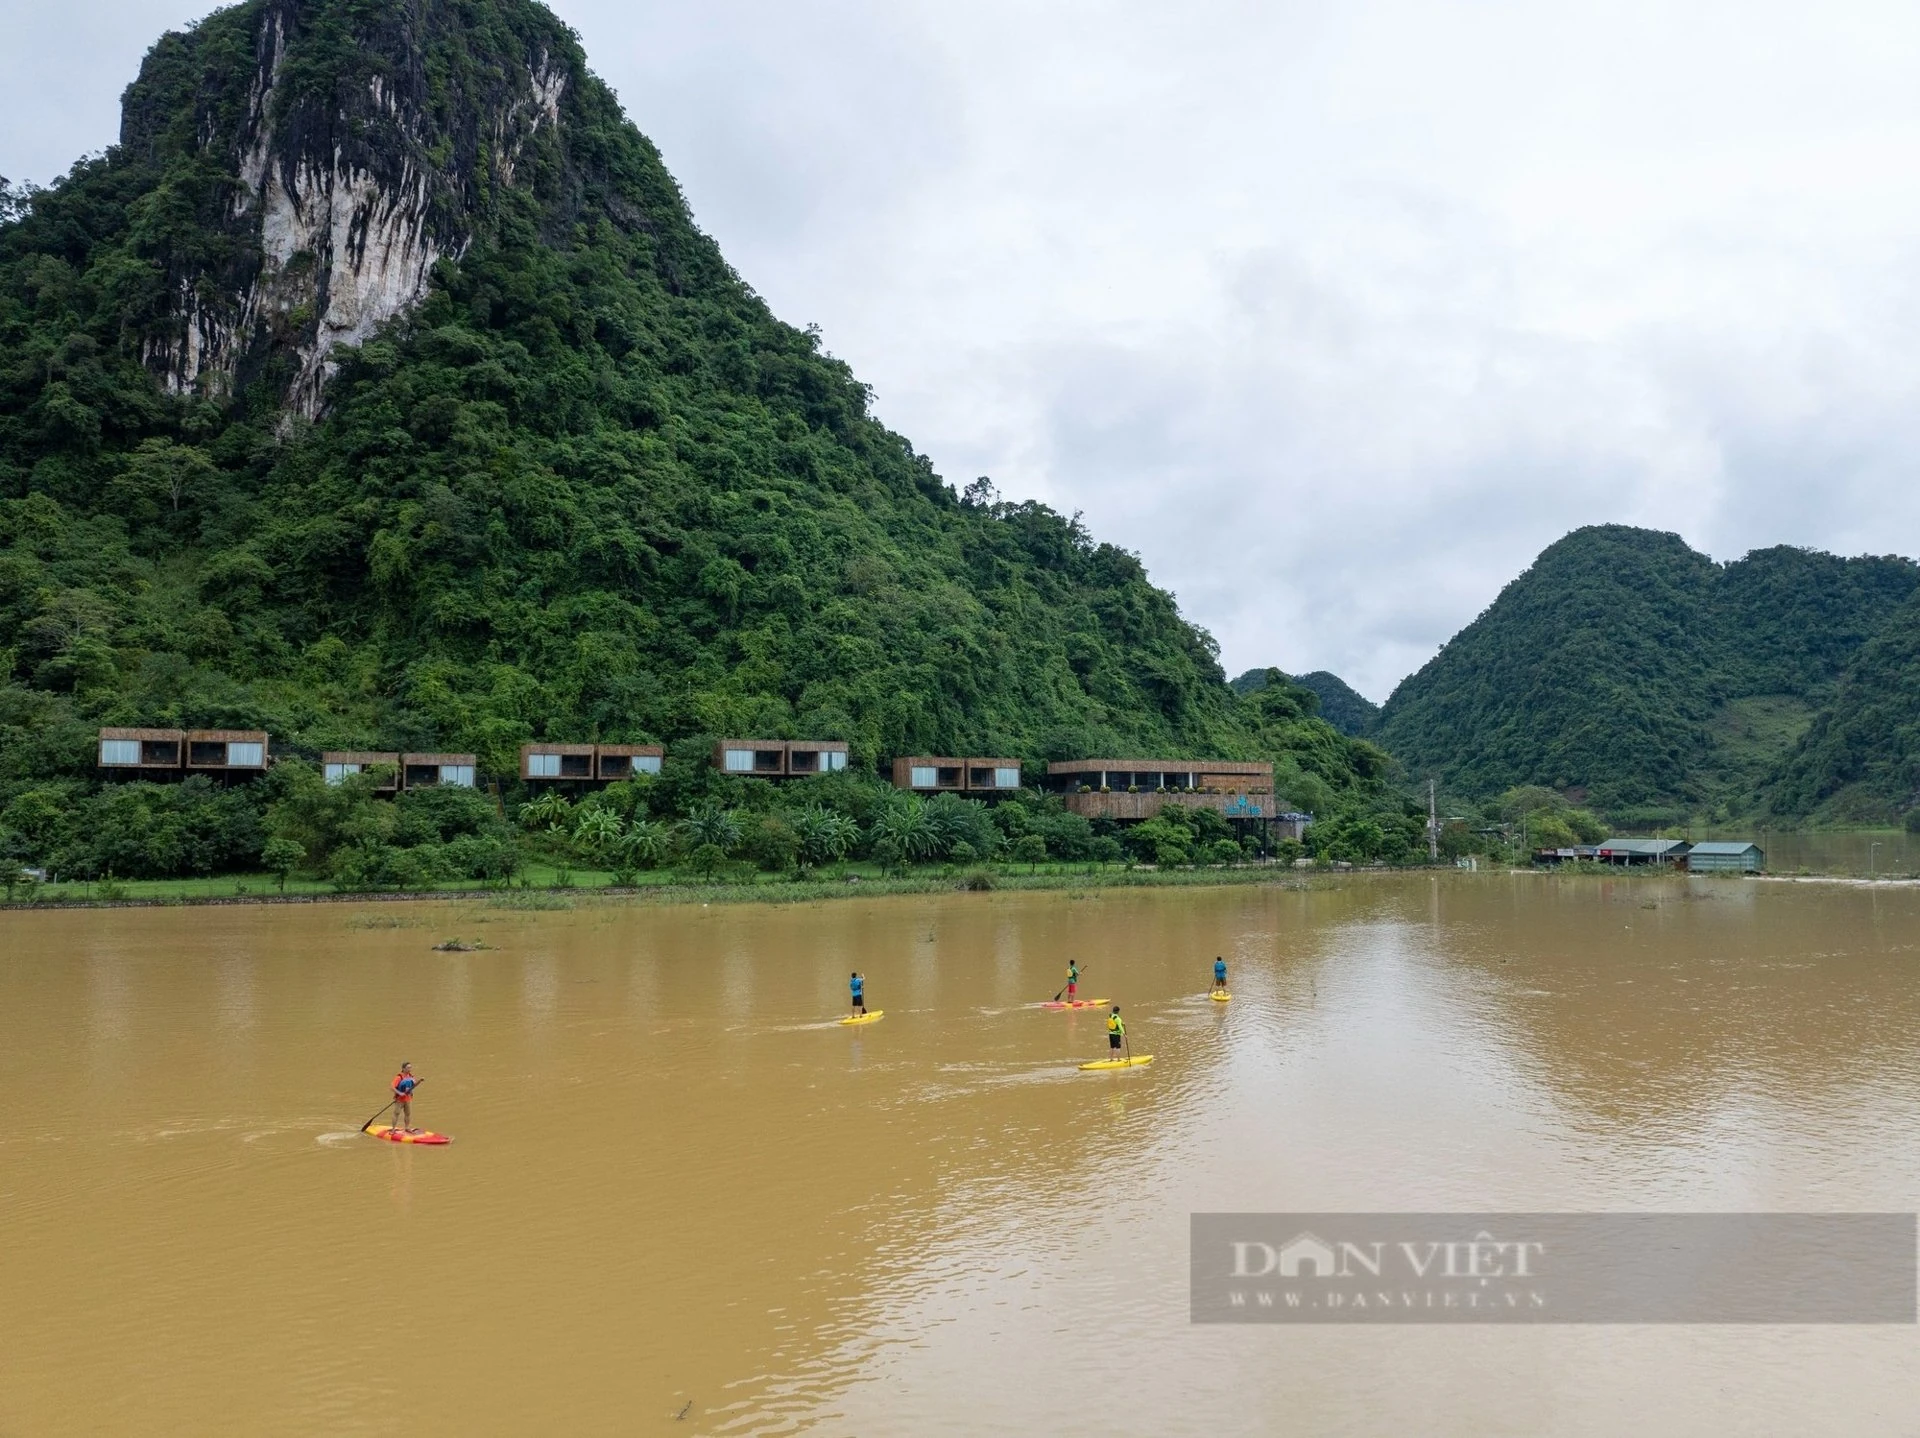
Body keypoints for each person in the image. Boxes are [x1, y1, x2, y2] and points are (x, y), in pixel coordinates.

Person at [392, 1062, 419, 1132]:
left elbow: (413, 1086)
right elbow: (392, 1088)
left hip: (408, 1099)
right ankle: (393, 1129)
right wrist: (400, 1093)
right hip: (399, 1100)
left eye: (410, 1067)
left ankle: (407, 1128)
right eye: (408, 1068)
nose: (410, 1069)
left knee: (408, 1114)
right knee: (396, 1113)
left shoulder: (411, 1077)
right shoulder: (399, 1077)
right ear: (403, 1069)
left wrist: (420, 1081)